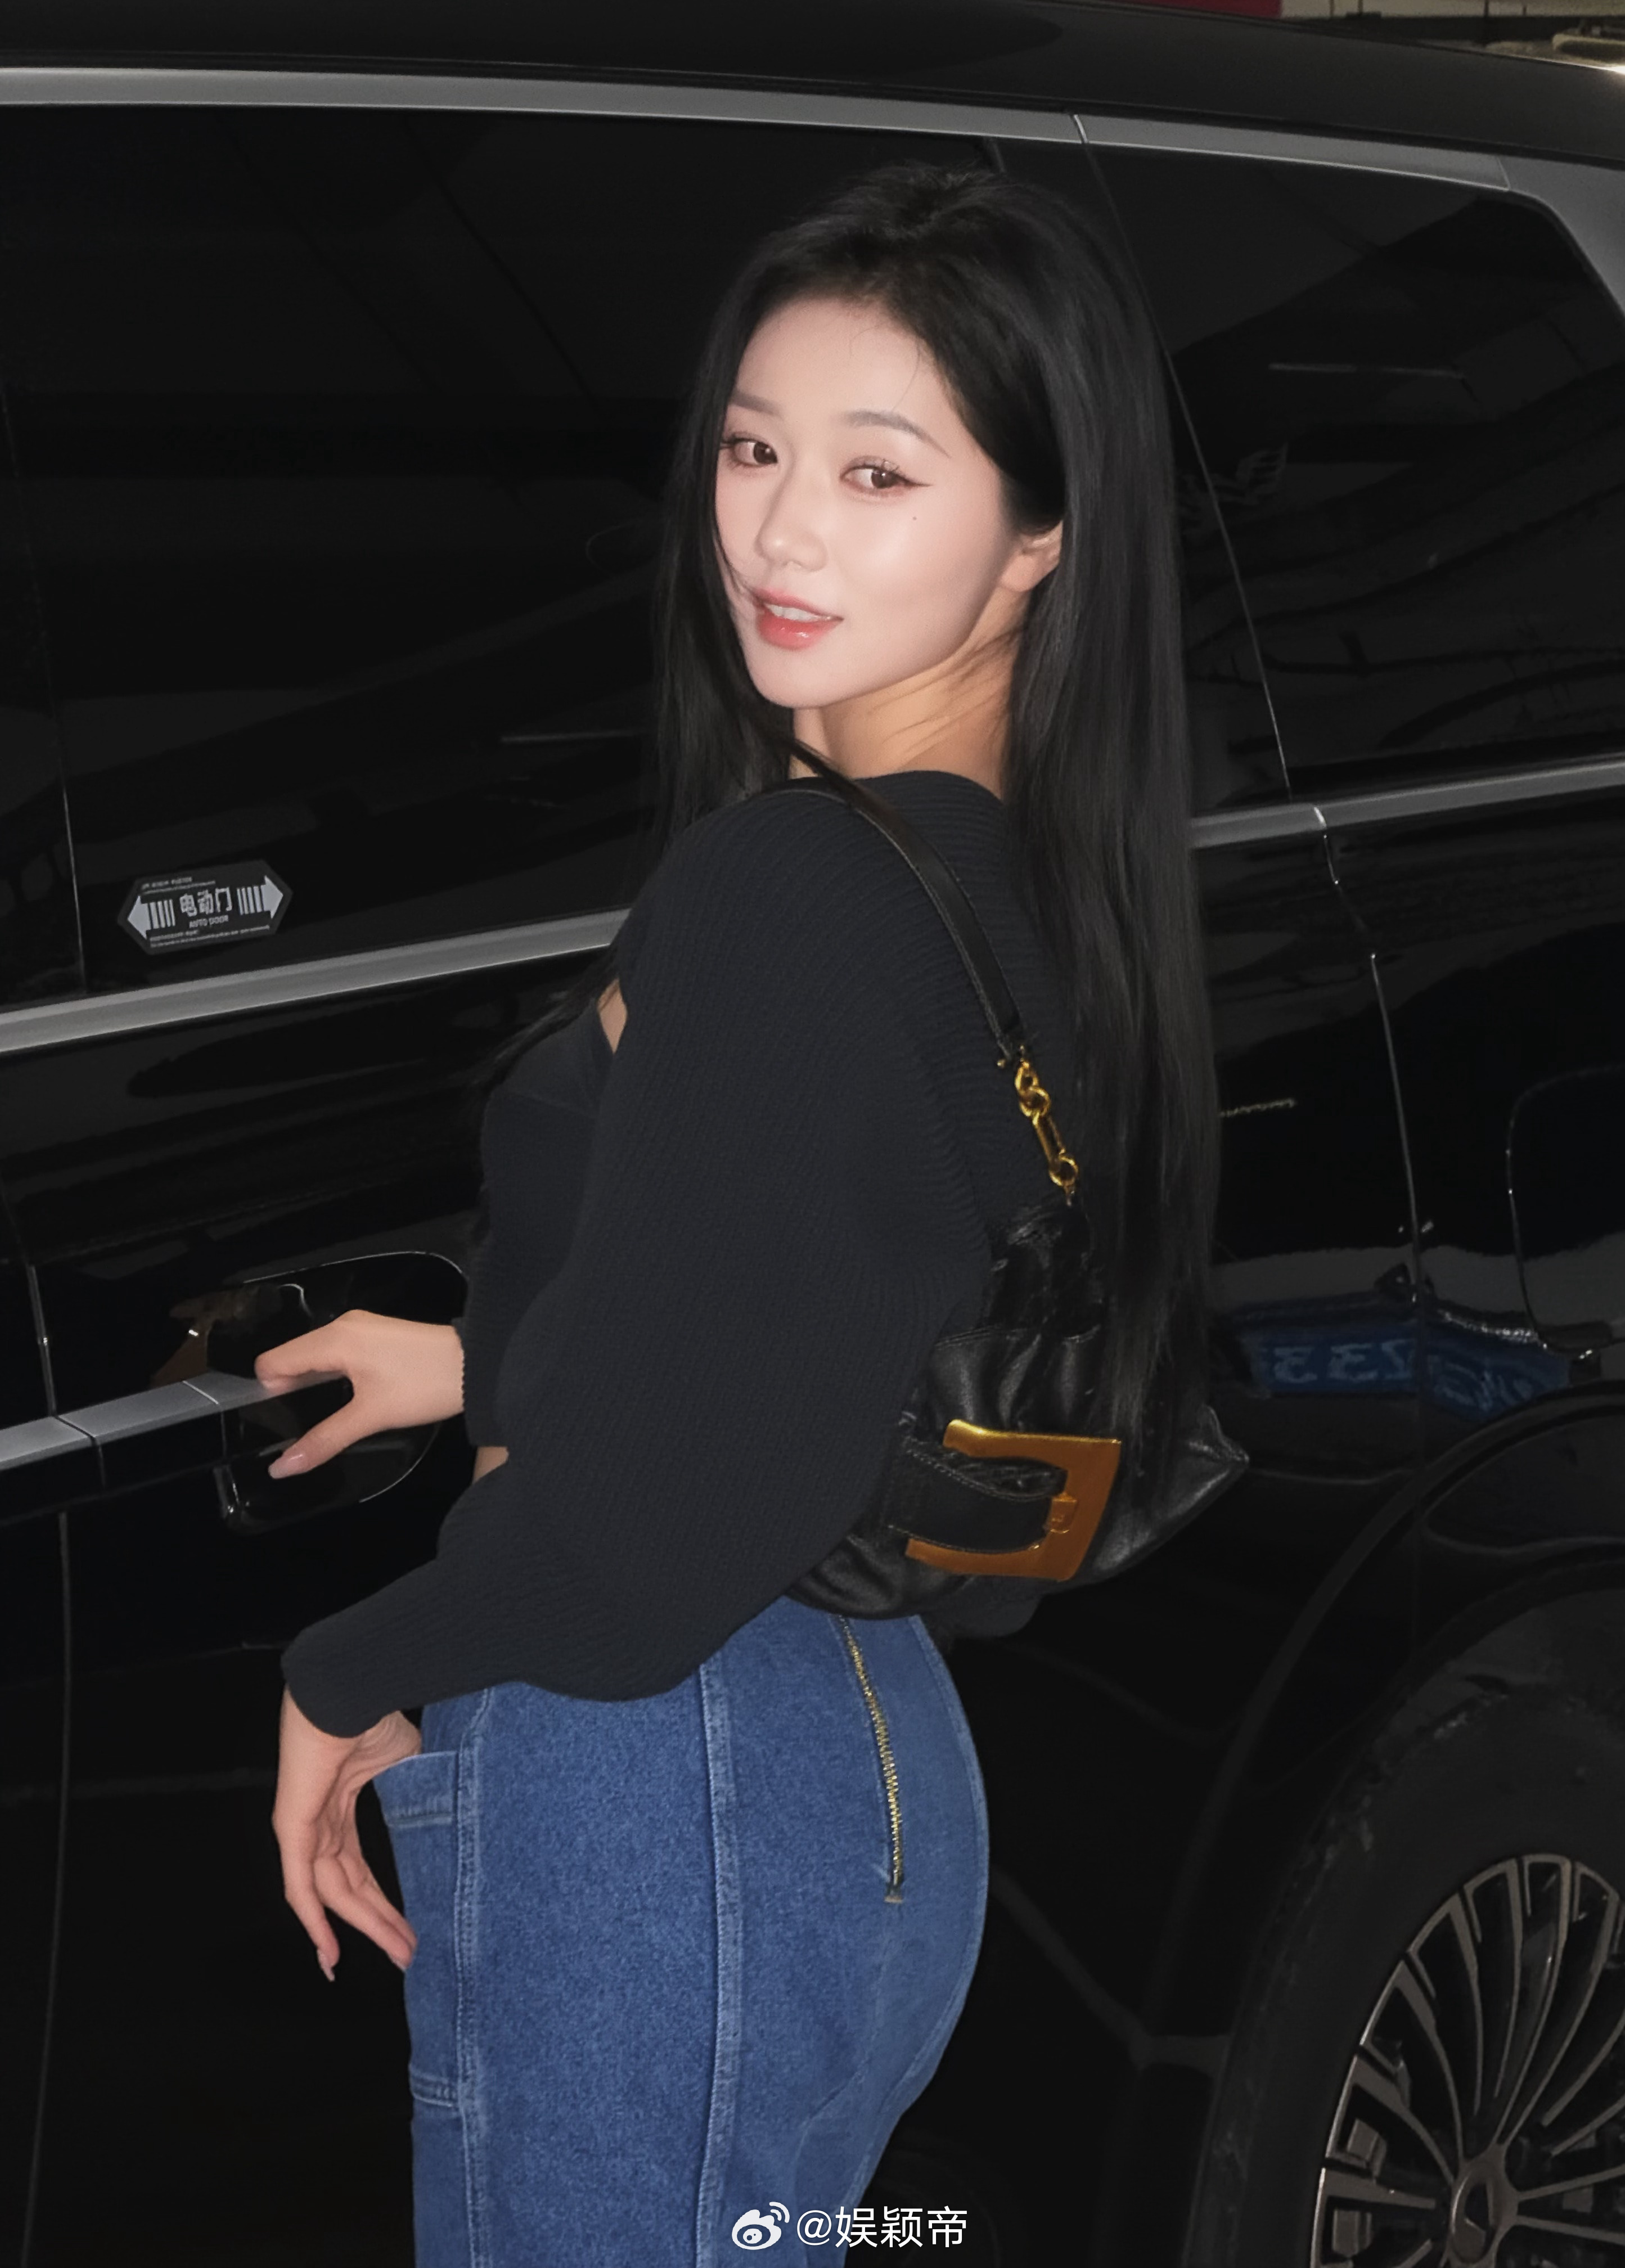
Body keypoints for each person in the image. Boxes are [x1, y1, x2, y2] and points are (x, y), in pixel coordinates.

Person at [265, 160, 1215, 2265]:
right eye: (754, 449)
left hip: (652, 1783)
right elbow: (812, 1324)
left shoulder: (801, 886)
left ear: (1040, 534)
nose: (781, 532)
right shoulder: (1008, 877)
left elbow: (639, 1544)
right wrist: (487, 1354)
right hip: (861, 1773)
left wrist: (349, 1670)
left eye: (879, 473)